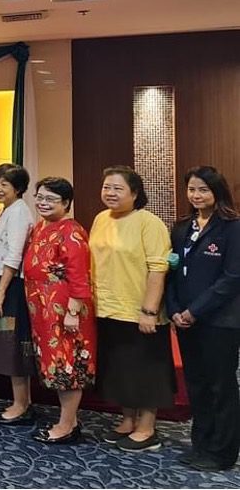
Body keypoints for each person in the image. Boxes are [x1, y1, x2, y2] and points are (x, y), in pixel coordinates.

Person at [89, 165, 175, 452]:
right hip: (106, 307)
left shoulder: (149, 222)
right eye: (106, 187)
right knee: (119, 368)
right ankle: (127, 420)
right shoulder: (101, 218)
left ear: (135, 193)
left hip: (139, 309)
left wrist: (149, 310)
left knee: (145, 369)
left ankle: (148, 427)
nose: (110, 193)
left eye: (118, 188)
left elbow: (157, 268)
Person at [167, 166, 240, 471]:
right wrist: (173, 310)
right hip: (184, 320)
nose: (196, 196)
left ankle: (222, 452)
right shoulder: (182, 226)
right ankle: (202, 445)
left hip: (219, 321)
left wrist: (194, 311)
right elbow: (171, 271)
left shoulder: (232, 227)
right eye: (192, 189)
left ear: (217, 192)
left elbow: (232, 277)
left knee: (220, 386)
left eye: (203, 190)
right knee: (196, 385)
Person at [25, 177, 97, 444]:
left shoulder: (72, 231)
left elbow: (80, 276)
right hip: (42, 308)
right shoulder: (41, 227)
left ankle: (66, 425)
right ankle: (70, 420)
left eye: (51, 199)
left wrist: (73, 311)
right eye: (40, 197)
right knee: (54, 364)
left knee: (66, 366)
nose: (43, 203)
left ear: (66, 203)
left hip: (64, 310)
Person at [0, 163, 36, 424]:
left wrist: (1, 291)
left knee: (14, 342)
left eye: (4, 184)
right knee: (5, 341)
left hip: (10, 285)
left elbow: (14, 255)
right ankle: (19, 400)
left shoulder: (18, 213)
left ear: (18, 188)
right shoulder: (5, 211)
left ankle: (21, 404)